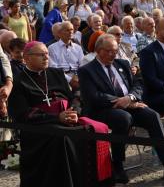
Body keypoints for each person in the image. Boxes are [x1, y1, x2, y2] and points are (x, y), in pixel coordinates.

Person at [78, 34, 164, 183]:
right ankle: (118, 164)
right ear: (98, 50)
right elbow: (93, 96)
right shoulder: (87, 70)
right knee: (123, 118)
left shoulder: (122, 63)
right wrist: (124, 102)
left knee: (152, 116)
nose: (112, 54)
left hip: (129, 104)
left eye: (115, 51)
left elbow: (138, 84)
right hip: (101, 110)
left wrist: (131, 98)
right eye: (108, 51)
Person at [8, 41, 112, 187]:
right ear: (27, 57)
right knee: (62, 138)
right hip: (39, 127)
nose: (46, 58)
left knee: (96, 129)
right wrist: (56, 117)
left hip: (66, 119)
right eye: (41, 55)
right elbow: (22, 114)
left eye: (47, 54)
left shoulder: (56, 73)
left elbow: (74, 98)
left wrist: (74, 112)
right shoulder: (19, 82)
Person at [47, 21, 84, 93]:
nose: (70, 32)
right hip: (61, 78)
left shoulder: (78, 48)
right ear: (59, 33)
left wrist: (76, 76)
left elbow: (82, 64)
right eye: (67, 30)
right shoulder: (52, 48)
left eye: (72, 30)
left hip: (77, 77)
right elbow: (54, 68)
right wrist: (69, 80)